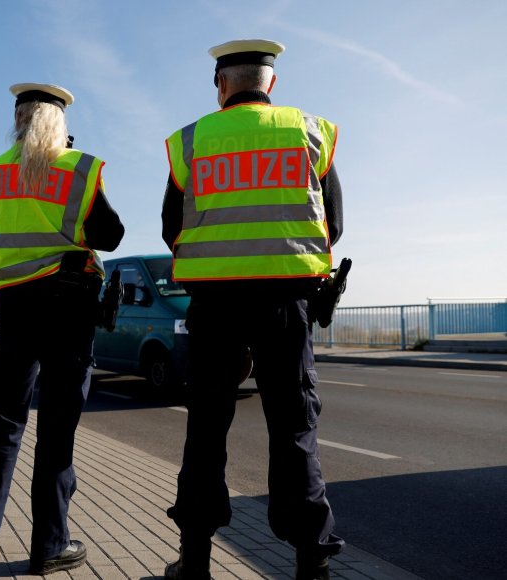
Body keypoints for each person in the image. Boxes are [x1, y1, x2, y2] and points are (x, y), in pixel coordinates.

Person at [160, 40, 345, 580]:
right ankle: (311, 561)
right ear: (271, 84)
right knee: (293, 431)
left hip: (214, 306)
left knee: (206, 431)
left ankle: (194, 561)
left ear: (222, 86)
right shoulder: (309, 131)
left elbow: (172, 228)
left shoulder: (191, 141)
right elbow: (332, 224)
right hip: (285, 304)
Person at [0, 82, 124, 575]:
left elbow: (1, 226)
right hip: (68, 307)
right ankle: (50, 544)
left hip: (14, 309)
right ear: (60, 125)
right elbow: (110, 235)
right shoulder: (78, 168)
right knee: (56, 428)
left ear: (18, 119)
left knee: (5, 420)